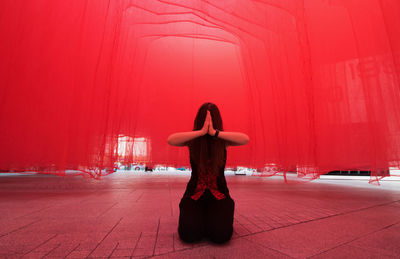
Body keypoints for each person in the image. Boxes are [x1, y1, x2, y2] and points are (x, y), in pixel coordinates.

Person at [167, 102, 250, 244]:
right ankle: (203, 219)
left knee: (220, 237)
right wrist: (200, 132)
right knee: (189, 235)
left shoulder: (223, 141)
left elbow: (245, 139)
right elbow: (171, 139)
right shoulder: (193, 141)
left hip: (219, 195)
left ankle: (209, 220)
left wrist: (214, 133)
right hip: (193, 195)